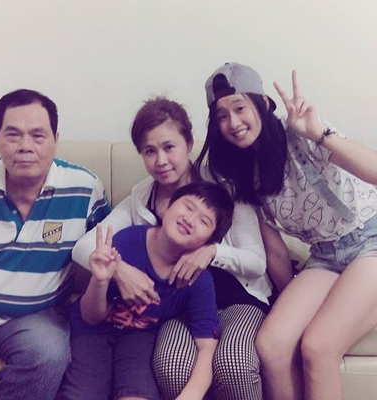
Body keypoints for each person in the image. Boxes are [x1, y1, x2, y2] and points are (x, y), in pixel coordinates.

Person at [196, 62, 377, 400]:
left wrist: (319, 132)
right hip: (324, 256)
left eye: (240, 108)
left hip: (371, 241)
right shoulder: (238, 171)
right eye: (222, 116)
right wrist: (288, 300)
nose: (233, 122)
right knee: (272, 344)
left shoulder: (302, 133)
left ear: (263, 103)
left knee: (318, 346)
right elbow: (276, 250)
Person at [71, 97, 273, 400]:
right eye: (149, 151)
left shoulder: (225, 188)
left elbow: (257, 262)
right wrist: (119, 271)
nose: (161, 161)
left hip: (236, 297)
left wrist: (212, 252)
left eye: (169, 147)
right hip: (179, 305)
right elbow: (86, 245)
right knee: (171, 366)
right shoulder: (141, 198)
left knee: (234, 364)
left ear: (189, 143)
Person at [0, 89, 110, 400]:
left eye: (38, 135)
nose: (25, 146)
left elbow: (113, 243)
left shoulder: (84, 188)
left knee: (48, 351)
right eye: (13, 135)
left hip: (35, 321)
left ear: (55, 139)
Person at [58, 182, 234, 400]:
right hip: (91, 331)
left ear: (209, 241)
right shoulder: (128, 241)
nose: (190, 219)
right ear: (167, 206)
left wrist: (192, 394)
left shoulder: (197, 279)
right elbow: (91, 318)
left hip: (139, 337)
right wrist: (100, 281)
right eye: (188, 207)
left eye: (204, 221)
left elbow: (207, 346)